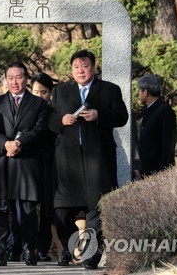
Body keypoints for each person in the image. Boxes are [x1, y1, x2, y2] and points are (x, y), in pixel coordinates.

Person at [48, 50, 128, 269]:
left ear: (93, 67)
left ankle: (91, 257)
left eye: (84, 66)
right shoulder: (61, 92)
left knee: (96, 209)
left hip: (97, 161)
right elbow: (48, 119)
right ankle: (69, 249)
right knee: (62, 211)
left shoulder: (110, 90)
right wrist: (60, 120)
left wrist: (99, 115)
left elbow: (122, 117)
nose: (80, 70)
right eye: (76, 67)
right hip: (68, 162)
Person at [0, 61, 48, 267]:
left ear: (26, 79)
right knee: (0, 210)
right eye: (10, 78)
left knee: (28, 210)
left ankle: (30, 251)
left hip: (26, 162)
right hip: (2, 161)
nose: (14, 82)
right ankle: (0, 253)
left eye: (19, 77)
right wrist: (6, 144)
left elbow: (39, 130)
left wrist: (19, 143)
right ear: (5, 80)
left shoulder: (38, 103)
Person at [30, 72, 60, 262]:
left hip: (49, 164)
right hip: (28, 164)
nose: (39, 95)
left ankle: (42, 248)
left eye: (44, 92)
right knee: (28, 208)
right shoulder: (24, 110)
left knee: (47, 208)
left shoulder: (54, 112)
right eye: (35, 91)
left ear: (50, 93)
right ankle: (27, 247)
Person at [134, 73, 176, 178]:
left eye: (140, 90)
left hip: (158, 173)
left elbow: (168, 144)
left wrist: (164, 172)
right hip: (146, 171)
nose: (138, 94)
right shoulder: (148, 110)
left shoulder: (164, 110)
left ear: (145, 92)